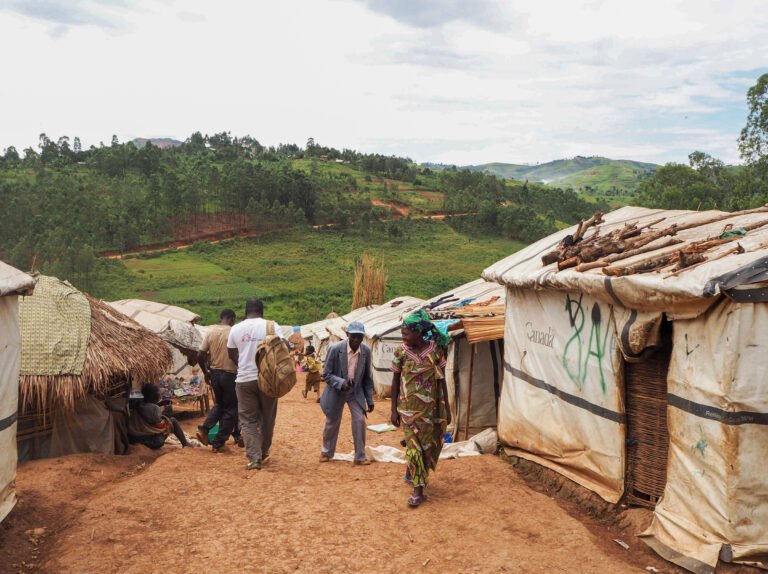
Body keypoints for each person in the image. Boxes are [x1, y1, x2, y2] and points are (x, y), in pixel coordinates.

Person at [390, 310, 452, 507]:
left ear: (418, 333)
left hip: (429, 410)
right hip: (407, 409)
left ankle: (413, 473)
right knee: (414, 447)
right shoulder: (400, 352)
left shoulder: (435, 351)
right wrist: (393, 410)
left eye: (406, 333)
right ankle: (418, 491)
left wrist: (447, 409)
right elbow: (395, 381)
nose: (403, 336)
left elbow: (442, 382)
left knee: (426, 447)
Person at [227, 298, 286, 471]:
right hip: (267, 380)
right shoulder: (271, 326)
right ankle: (264, 451)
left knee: (248, 420)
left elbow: (231, 352)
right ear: (262, 311)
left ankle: (254, 459)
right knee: (267, 418)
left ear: (245, 312)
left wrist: (244, 364)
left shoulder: (236, 329)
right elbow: (285, 347)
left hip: (244, 380)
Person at [319, 321, 374, 465]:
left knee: (360, 420)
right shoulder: (336, 349)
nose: (356, 340)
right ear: (347, 334)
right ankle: (326, 452)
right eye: (353, 336)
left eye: (359, 337)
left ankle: (360, 456)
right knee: (332, 421)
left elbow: (367, 378)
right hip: (337, 391)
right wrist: (341, 382)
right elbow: (326, 374)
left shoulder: (366, 351)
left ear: (363, 337)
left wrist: (370, 399)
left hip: (355, 391)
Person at [196, 309, 243, 451]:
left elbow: (200, 355)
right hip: (230, 375)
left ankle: (204, 429)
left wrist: (206, 372)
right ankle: (218, 443)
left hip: (215, 374)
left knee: (220, 404)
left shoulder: (210, 331)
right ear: (233, 319)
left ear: (221, 318)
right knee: (232, 410)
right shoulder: (234, 332)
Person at [128, 383, 193, 449]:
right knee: (173, 421)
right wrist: (165, 410)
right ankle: (185, 443)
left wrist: (159, 404)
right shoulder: (154, 409)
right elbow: (159, 423)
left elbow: (148, 410)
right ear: (156, 396)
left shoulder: (138, 405)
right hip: (150, 441)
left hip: (134, 439)